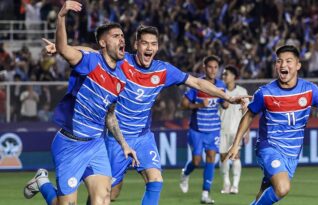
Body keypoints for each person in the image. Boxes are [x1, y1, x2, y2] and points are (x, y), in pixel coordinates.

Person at [42, 24, 247, 204]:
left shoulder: (163, 70)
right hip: (117, 138)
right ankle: (43, 184)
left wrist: (226, 96)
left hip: (143, 137)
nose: (149, 48)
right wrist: (61, 49)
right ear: (136, 45)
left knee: (155, 180)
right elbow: (93, 52)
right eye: (145, 43)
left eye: (154, 44)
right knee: (107, 195)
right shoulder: (123, 62)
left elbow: (196, 82)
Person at [23, 1, 138, 205]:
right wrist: (61, 17)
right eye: (115, 36)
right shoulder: (89, 62)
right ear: (102, 43)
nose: (122, 39)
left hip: (96, 145)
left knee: (103, 200)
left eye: (122, 36)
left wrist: (124, 144)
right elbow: (65, 48)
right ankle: (42, 182)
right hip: (70, 144)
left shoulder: (120, 78)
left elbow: (110, 115)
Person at [225, 45, 318, 205]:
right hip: (269, 147)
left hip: (292, 154)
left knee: (265, 193)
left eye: (288, 61)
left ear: (298, 65)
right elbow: (249, 115)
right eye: (279, 61)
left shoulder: (309, 90)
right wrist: (235, 144)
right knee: (282, 188)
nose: (283, 65)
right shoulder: (265, 92)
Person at [179, 55, 228, 204]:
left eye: (215, 67)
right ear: (204, 68)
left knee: (211, 158)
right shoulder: (197, 84)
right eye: (210, 67)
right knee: (197, 160)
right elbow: (184, 104)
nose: (213, 70)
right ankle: (185, 173)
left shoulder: (221, 85)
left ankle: (205, 193)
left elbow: (224, 103)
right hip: (197, 129)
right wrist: (199, 105)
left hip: (213, 129)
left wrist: (226, 103)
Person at [219, 65, 250, 194]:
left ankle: (235, 185)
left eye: (226, 74)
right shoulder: (219, 91)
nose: (224, 76)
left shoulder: (242, 91)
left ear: (233, 77)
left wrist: (246, 131)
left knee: (236, 156)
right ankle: (226, 184)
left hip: (237, 130)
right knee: (223, 157)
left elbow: (247, 112)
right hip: (221, 128)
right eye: (224, 74)